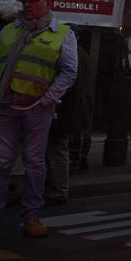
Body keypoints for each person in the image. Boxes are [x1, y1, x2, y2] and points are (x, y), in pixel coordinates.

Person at [0, 0, 78, 244]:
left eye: (33, 1)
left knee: (34, 163)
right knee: (1, 164)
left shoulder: (63, 34)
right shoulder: (8, 31)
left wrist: (46, 101)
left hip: (37, 109)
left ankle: (31, 217)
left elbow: (68, 72)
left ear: (49, 4)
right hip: (5, 106)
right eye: (24, 1)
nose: (27, 5)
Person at [44, 25, 91, 206]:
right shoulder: (83, 53)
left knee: (57, 148)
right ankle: (57, 185)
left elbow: (68, 83)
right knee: (57, 148)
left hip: (63, 109)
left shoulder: (70, 52)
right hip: (72, 108)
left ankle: (59, 189)